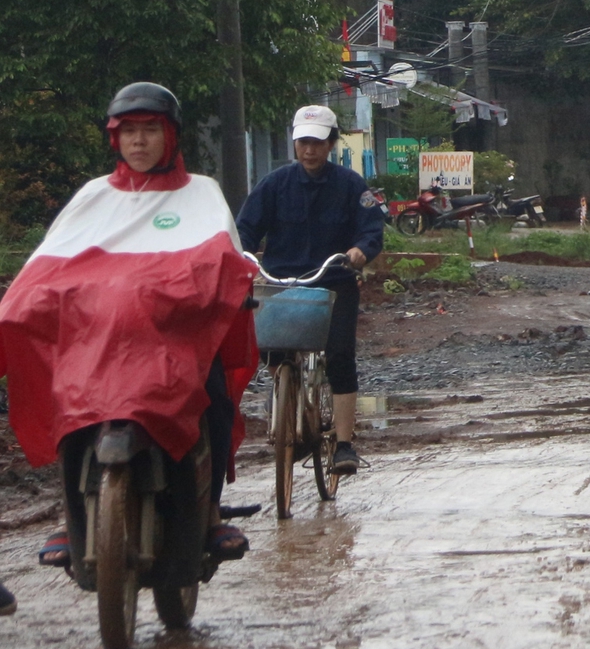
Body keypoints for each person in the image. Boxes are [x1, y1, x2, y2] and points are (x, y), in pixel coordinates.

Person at [5, 83, 261, 570]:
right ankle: (72, 515)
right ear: (115, 139)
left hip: (174, 342)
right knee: (69, 400)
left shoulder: (201, 193)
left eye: (150, 130)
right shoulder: (93, 197)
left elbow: (223, 265)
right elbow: (50, 268)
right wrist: (21, 302)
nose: (139, 142)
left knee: (212, 394)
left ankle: (208, 514)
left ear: (171, 136)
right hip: (98, 344)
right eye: (129, 132)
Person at [237, 104, 385, 479]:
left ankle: (345, 443)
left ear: (331, 143)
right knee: (270, 348)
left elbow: (371, 230)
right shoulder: (273, 185)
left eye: (317, 143)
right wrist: (243, 255)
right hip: (282, 284)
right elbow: (245, 230)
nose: (309, 150)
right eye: (303, 142)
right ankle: (289, 408)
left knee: (339, 357)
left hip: (333, 283)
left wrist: (359, 251)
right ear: (294, 143)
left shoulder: (352, 186)